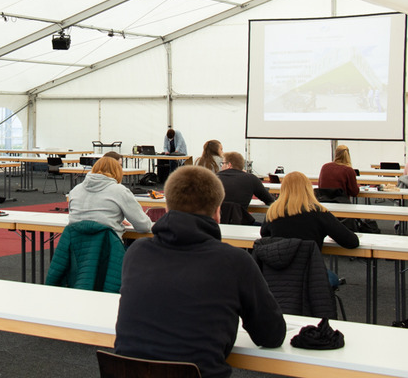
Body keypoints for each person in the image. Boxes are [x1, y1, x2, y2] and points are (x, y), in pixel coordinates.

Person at [115, 166, 285, 378]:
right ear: (217, 212)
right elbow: (271, 335)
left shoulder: (136, 253)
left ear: (167, 209)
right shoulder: (235, 262)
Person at [260, 171, 359, 287]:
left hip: (277, 273)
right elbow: (351, 242)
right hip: (311, 273)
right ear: (308, 189)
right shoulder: (319, 213)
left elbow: (264, 236)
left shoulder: (273, 213)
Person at [67, 156, 152, 239]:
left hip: (74, 248)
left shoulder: (75, 190)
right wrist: (113, 222)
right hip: (108, 248)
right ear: (118, 171)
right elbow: (144, 226)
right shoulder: (120, 191)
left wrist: (111, 219)